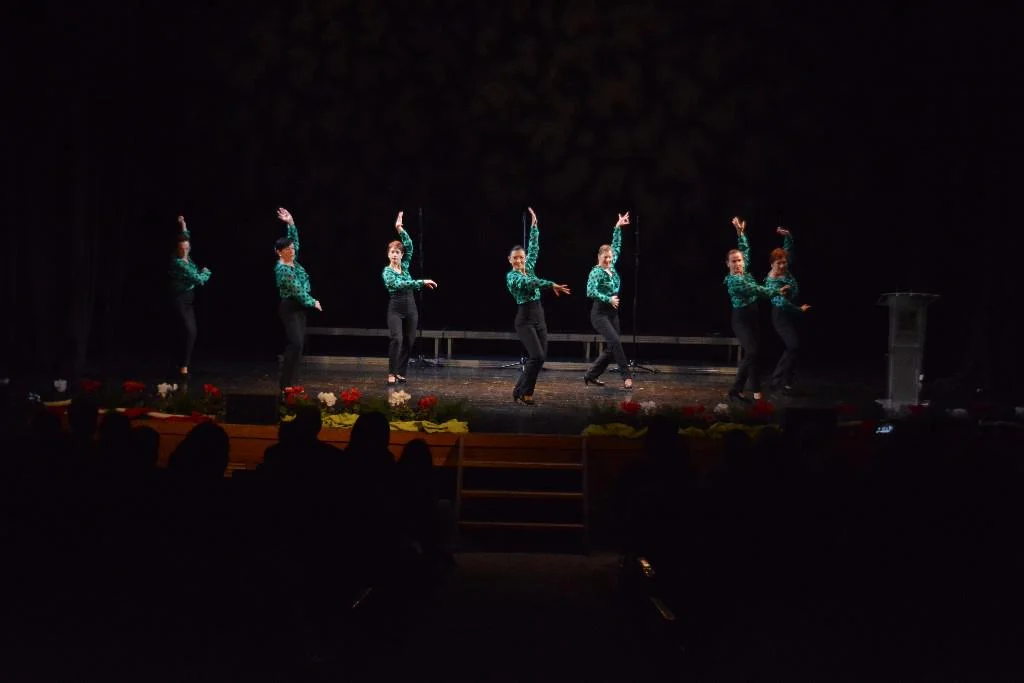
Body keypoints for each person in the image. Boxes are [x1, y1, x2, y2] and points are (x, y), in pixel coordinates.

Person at [505, 207, 571, 405]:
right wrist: (551, 284)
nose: (519, 260)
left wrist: (534, 227)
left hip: (538, 315)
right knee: (537, 355)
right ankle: (520, 391)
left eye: (521, 257)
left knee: (541, 358)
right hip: (524, 318)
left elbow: (534, 248)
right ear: (510, 260)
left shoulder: (529, 267)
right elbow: (530, 283)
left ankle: (525, 393)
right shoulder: (512, 277)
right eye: (515, 258)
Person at [724, 217, 788, 402]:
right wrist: (776, 291)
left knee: (754, 354)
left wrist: (740, 234)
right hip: (741, 319)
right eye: (733, 261)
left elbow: (745, 250)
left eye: (739, 261)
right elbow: (757, 290)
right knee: (751, 352)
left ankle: (754, 390)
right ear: (728, 264)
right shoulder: (735, 281)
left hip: (753, 315)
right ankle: (738, 389)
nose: (737, 263)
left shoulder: (744, 270)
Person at [382, 211, 438, 386]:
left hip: (410, 306)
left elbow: (410, 245)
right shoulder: (387, 272)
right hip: (396, 307)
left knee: (409, 340)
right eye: (392, 252)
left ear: (401, 255)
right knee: (397, 339)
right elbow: (400, 284)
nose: (395, 255)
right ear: (388, 254)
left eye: (398, 252)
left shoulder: (405, 267)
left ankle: (400, 372)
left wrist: (399, 228)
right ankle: (391, 372)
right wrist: (421, 282)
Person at [274, 207, 322, 394]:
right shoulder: (283, 269)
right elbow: (297, 290)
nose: (292, 251)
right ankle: (285, 384)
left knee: (298, 346)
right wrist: (313, 302)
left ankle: (291, 384)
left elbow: (295, 241)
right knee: (295, 344)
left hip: (299, 308)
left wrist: (291, 223)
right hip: (290, 307)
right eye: (288, 249)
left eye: (292, 248)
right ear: (279, 252)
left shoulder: (293, 261)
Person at [584, 211, 633, 390]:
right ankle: (626, 376)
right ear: (599, 257)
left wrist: (618, 227)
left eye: (610, 257)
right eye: (605, 257)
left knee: (612, 347)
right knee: (616, 343)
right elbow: (590, 291)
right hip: (600, 313)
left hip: (613, 313)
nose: (608, 260)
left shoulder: (612, 264)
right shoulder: (595, 272)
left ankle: (591, 375)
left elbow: (616, 245)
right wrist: (608, 298)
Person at [764, 227, 811, 394]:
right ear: (772, 264)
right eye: (779, 263)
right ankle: (777, 381)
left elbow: (788, 249)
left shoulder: (785, 267)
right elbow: (782, 303)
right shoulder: (771, 281)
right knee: (793, 345)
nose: (783, 265)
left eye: (784, 262)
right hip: (782, 315)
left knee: (795, 348)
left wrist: (788, 236)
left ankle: (786, 381)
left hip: (792, 313)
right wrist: (799, 309)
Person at [168, 215, 211, 381]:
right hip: (179, 299)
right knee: (189, 331)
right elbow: (198, 280)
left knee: (189, 332)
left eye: (187, 248)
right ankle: (183, 366)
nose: (184, 251)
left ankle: (181, 365)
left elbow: (186, 236)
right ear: (177, 249)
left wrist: (183, 224)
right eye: (182, 249)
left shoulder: (187, 256)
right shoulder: (178, 262)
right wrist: (206, 272)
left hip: (188, 300)